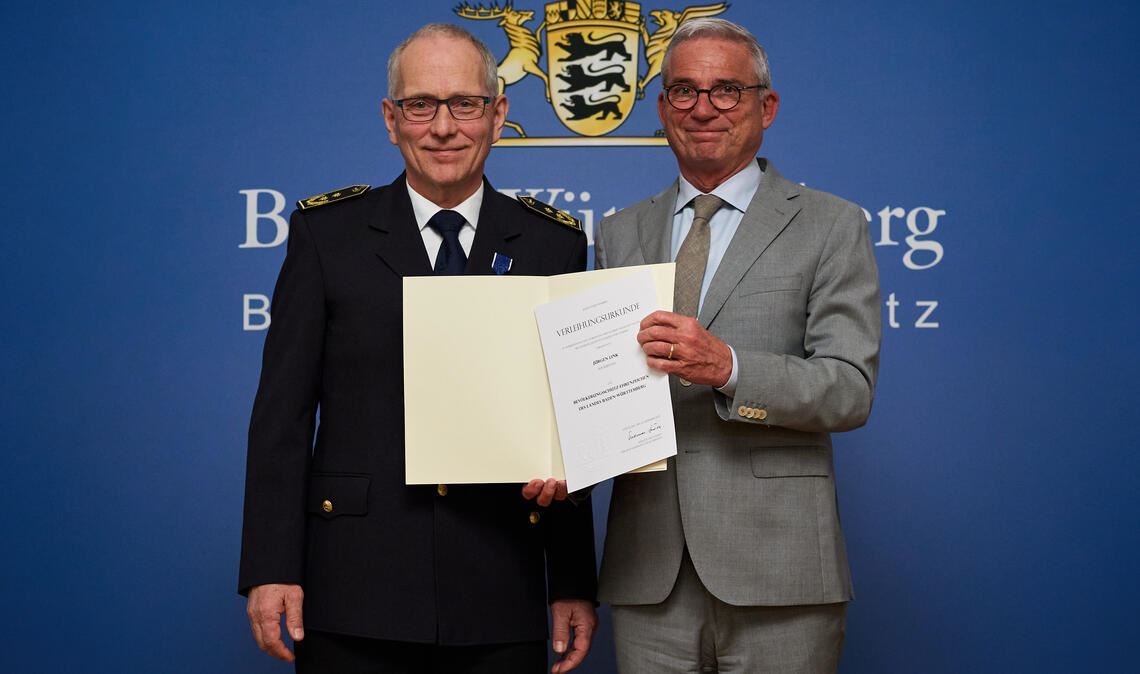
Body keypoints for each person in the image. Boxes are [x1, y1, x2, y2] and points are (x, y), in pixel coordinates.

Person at [238, 23, 598, 674]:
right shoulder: (328, 236)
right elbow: (281, 420)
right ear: (390, 118)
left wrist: (572, 580)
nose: (443, 127)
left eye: (464, 103)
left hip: (501, 585)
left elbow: (568, 427)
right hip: (354, 587)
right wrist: (270, 567)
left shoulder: (553, 246)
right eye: (420, 105)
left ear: (498, 114)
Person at [541, 16, 881, 673]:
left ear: (766, 106)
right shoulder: (619, 232)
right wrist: (553, 447)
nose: (703, 109)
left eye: (726, 90)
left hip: (780, 573)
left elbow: (848, 390)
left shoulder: (831, 225)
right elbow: (597, 393)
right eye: (683, 91)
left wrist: (729, 367)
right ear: (663, 106)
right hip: (648, 574)